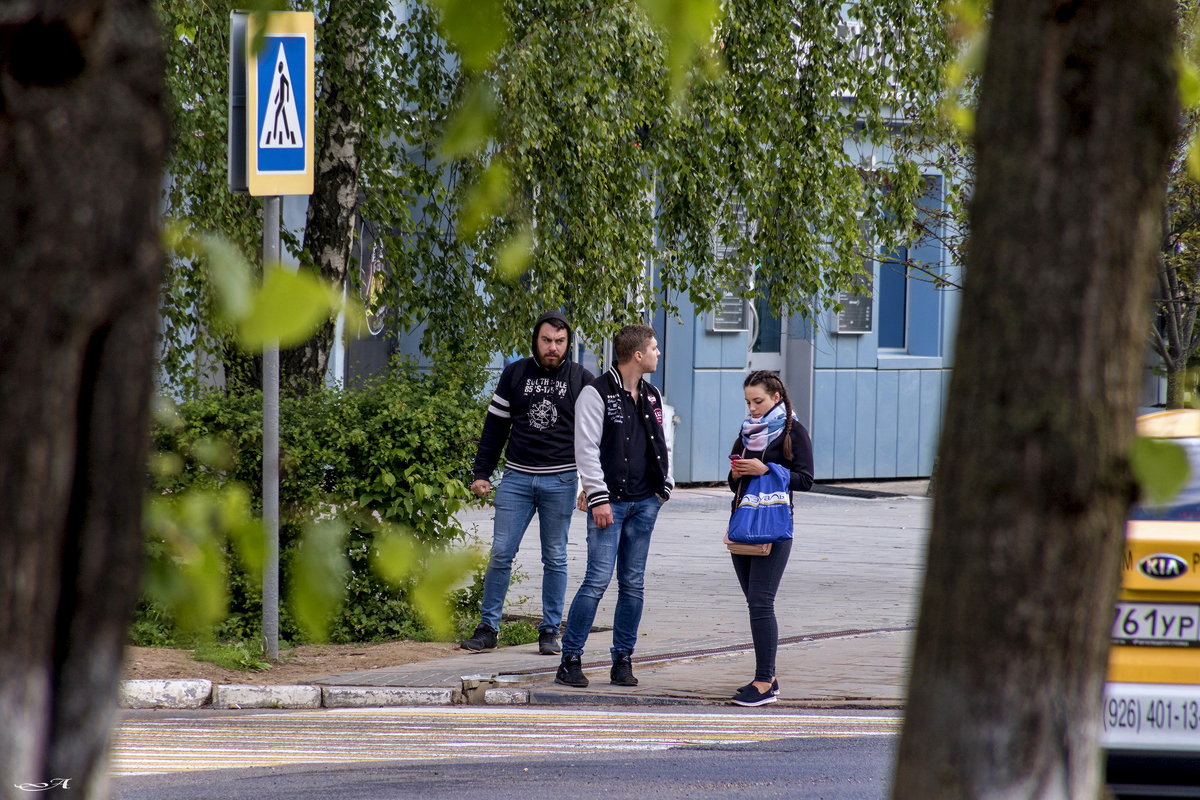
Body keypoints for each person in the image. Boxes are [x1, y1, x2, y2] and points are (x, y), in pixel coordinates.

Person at [461, 311, 594, 655]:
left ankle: (550, 630)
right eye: (547, 340)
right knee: (502, 553)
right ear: (535, 340)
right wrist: (481, 473)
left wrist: (592, 485)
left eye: (560, 342)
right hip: (516, 478)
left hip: (561, 479)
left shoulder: (581, 379)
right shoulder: (514, 373)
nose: (553, 348)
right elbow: (495, 428)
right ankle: (488, 627)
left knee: (556, 556)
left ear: (568, 343)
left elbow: (596, 436)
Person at [555, 324, 673, 688]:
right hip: (610, 505)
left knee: (633, 584)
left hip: (644, 502)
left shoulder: (651, 395)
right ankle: (570, 659)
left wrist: (664, 488)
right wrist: (597, 496)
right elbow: (586, 450)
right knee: (596, 580)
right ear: (637, 355)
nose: (657, 353)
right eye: (653, 348)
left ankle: (622, 659)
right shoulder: (597, 393)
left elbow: (662, 444)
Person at [726, 370, 813, 706]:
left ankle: (764, 681)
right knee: (754, 604)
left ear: (776, 397)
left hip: (774, 526)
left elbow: (806, 479)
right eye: (748, 402)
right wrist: (736, 474)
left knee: (762, 602)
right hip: (743, 524)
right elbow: (734, 484)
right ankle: (767, 678)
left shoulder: (793, 432)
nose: (753, 408)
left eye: (758, 401)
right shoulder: (746, 434)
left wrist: (768, 470)